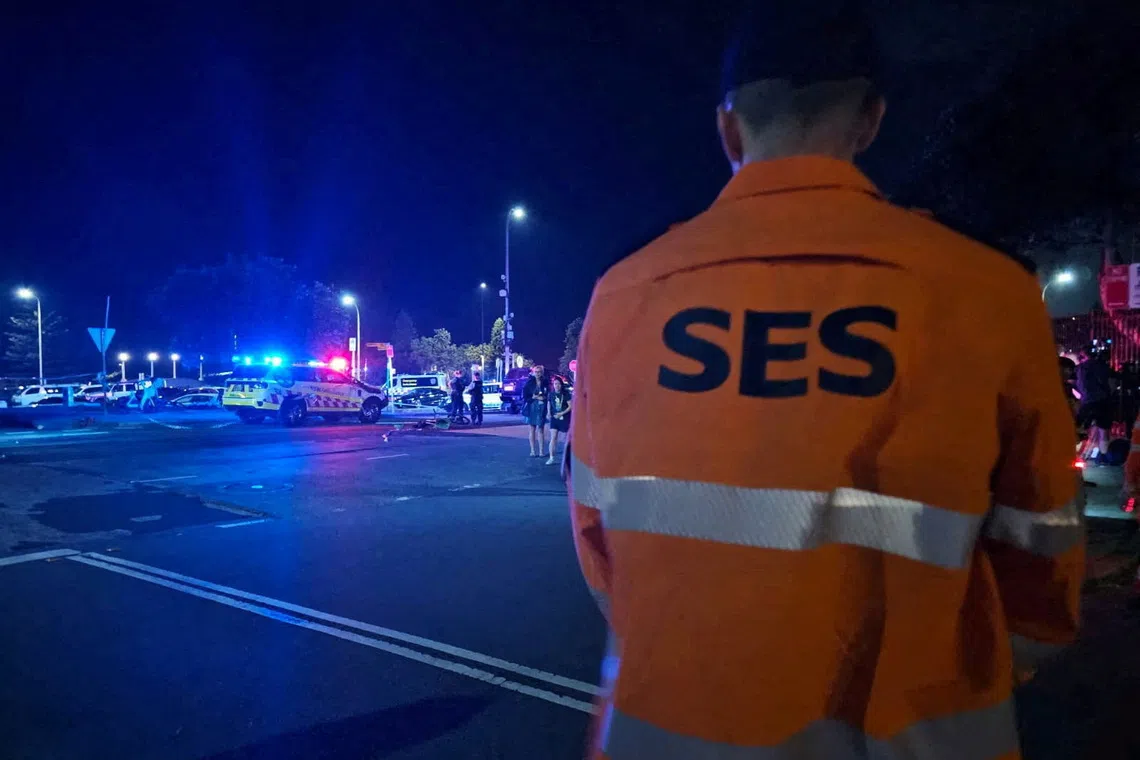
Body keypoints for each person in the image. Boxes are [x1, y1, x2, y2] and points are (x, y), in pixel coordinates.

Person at [566, 3, 1084, 758]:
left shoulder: (625, 293)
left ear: (729, 128)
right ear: (870, 120)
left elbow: (599, 547)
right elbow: (1043, 572)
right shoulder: (986, 290)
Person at [1076, 346, 1112, 463]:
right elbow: (1111, 381)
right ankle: (1102, 456)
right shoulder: (1102, 367)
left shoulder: (1079, 368)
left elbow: (1073, 382)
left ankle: (1077, 456)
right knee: (1103, 430)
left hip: (1086, 402)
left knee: (1079, 429)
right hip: (1102, 402)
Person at [522, 365, 550, 457]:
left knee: (541, 429)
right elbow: (525, 397)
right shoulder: (529, 383)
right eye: (536, 372)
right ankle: (533, 451)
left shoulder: (545, 382)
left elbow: (549, 394)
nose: (538, 374)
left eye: (539, 372)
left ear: (542, 373)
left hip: (542, 408)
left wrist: (544, 398)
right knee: (532, 429)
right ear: (533, 373)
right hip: (532, 407)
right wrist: (534, 397)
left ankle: (541, 451)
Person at [547, 375, 572, 465]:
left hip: (564, 417)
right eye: (555, 384)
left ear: (561, 385)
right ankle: (551, 457)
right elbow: (549, 403)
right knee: (553, 437)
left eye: (558, 384)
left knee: (566, 438)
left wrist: (562, 413)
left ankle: (566, 457)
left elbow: (570, 406)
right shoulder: (551, 394)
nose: (557, 386)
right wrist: (549, 413)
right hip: (555, 418)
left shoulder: (566, 394)